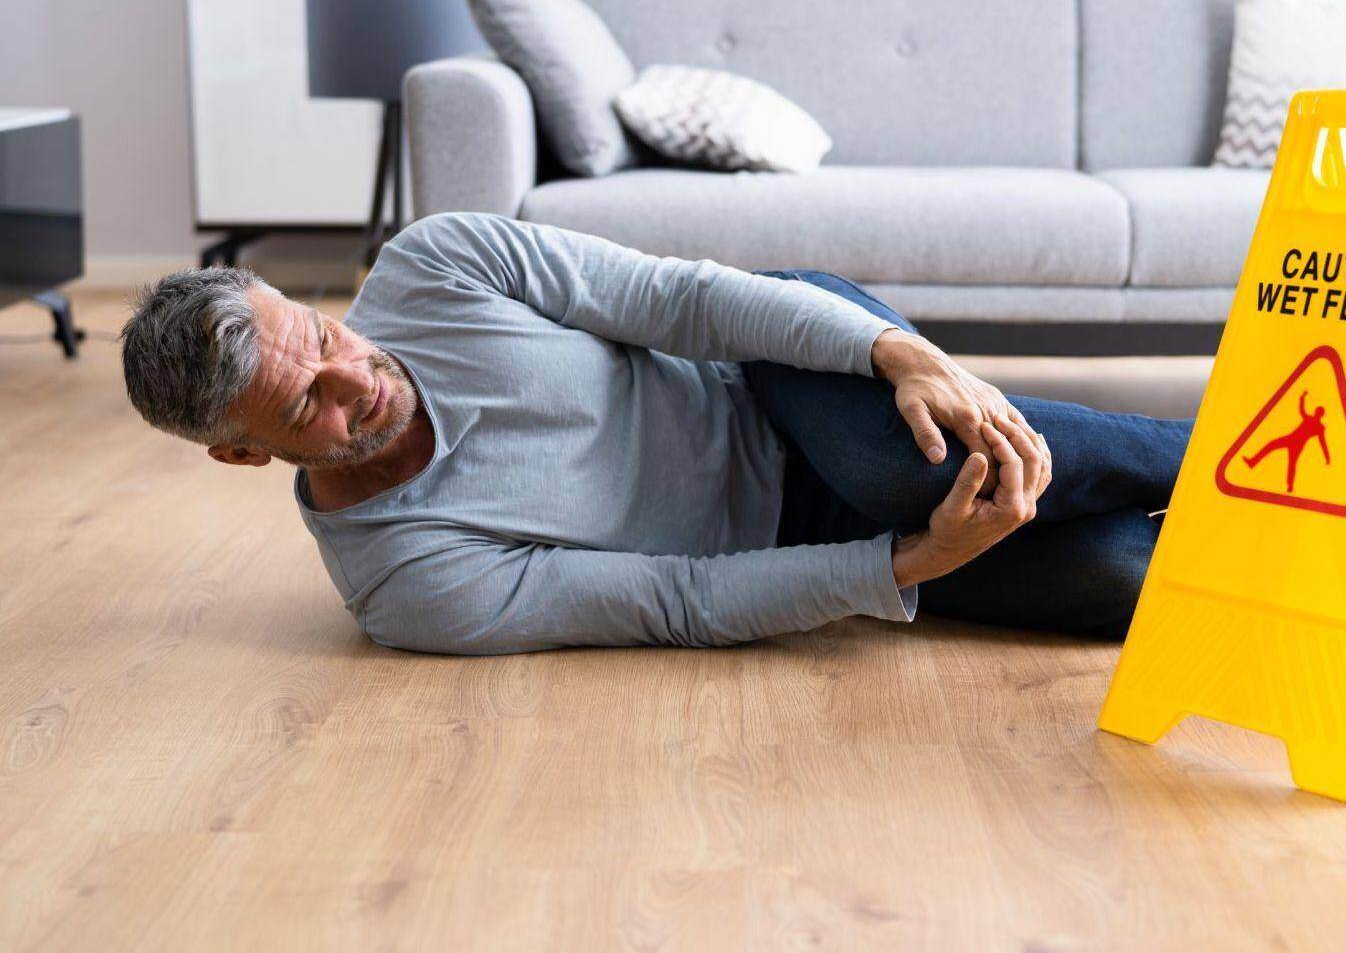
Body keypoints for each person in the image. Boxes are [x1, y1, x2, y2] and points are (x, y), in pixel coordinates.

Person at [120, 212, 1192, 654]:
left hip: (779, 378)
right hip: (785, 536)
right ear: (244, 453)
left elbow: (687, 300)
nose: (357, 375)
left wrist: (899, 353)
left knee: (888, 462)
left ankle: (1265, 464)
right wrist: (913, 566)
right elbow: (677, 599)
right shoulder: (405, 582)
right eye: (310, 404)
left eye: (321, 334)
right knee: (1113, 579)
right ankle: (1301, 559)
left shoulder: (436, 261)